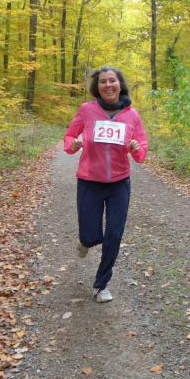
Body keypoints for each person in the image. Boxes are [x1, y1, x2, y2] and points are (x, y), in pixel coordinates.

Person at [64, 66, 148, 303]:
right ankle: (85, 241)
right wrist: (73, 144)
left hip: (119, 184)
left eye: (112, 80)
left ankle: (101, 285)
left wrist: (136, 148)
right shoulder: (87, 110)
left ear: (120, 85)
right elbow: (69, 137)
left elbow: (141, 150)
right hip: (89, 182)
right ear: (97, 87)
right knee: (90, 236)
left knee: (114, 234)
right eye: (103, 81)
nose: (108, 85)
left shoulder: (132, 115)